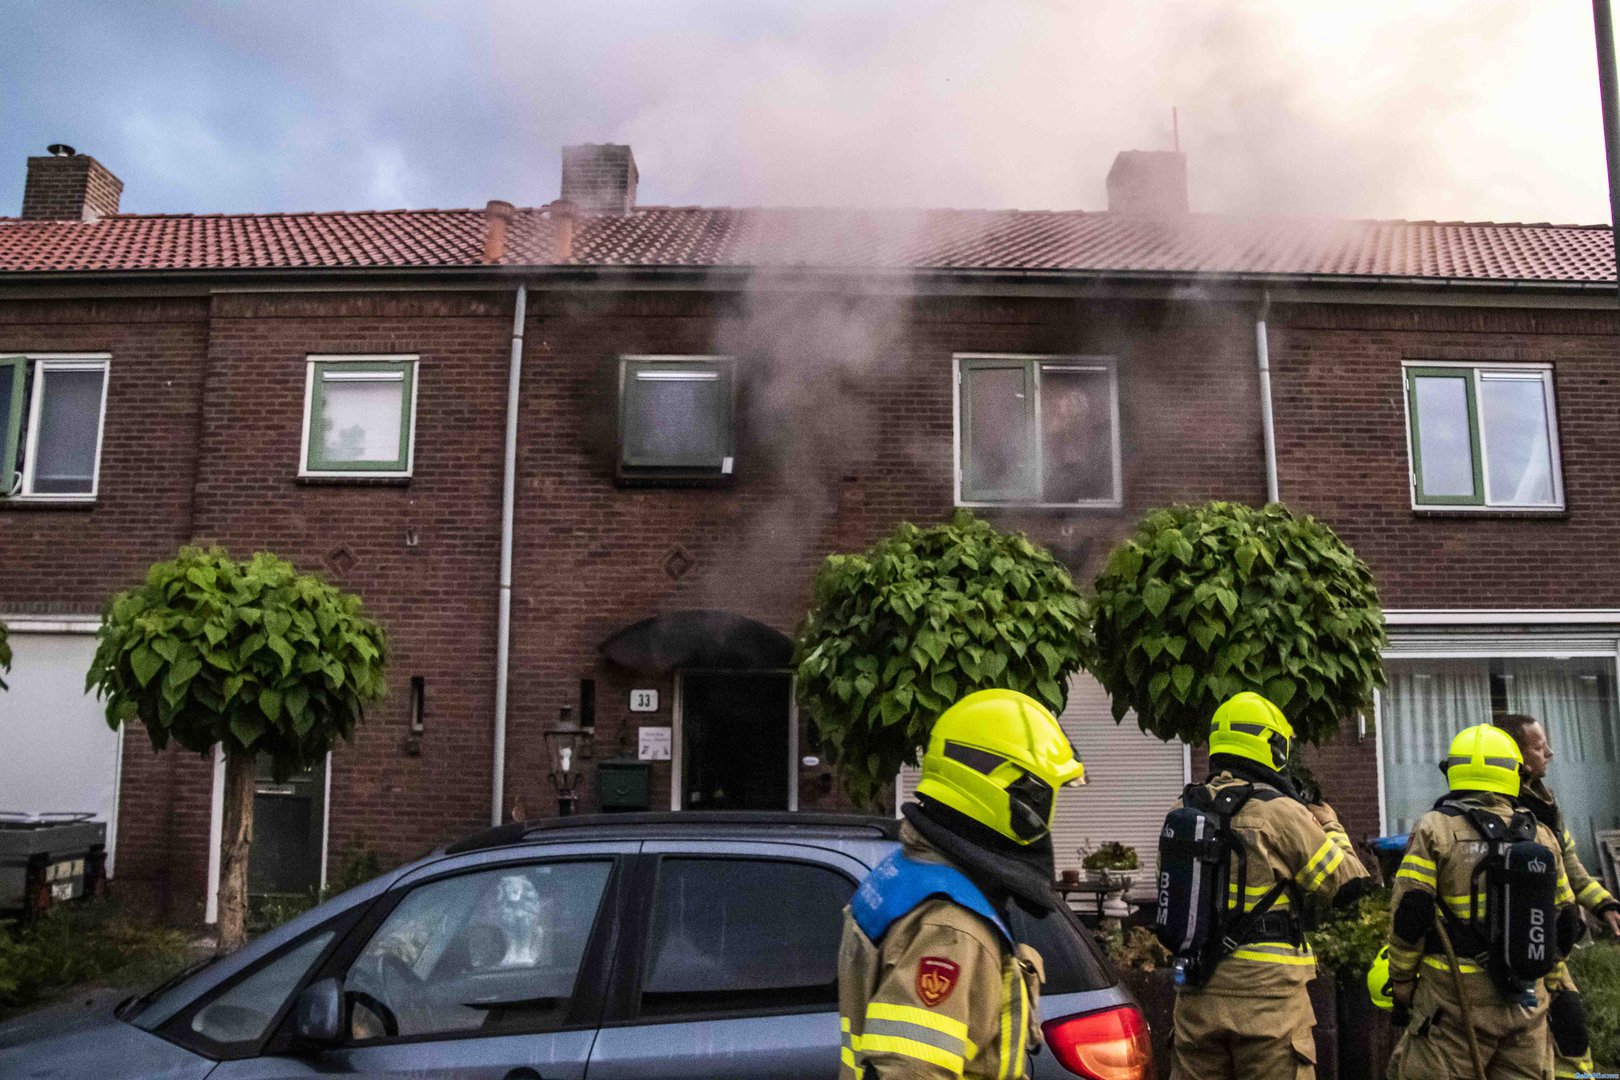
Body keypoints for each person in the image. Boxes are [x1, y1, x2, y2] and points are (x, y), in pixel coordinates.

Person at [837, 688, 1085, 1079]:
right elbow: (911, 1071)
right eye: (1042, 796)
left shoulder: (906, 875)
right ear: (1004, 794)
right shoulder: (950, 927)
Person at [1167, 692, 1372, 1080]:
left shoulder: (1184, 811)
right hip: (1269, 1006)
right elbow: (1350, 887)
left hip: (1196, 997)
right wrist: (1330, 825)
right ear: (1273, 747)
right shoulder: (1280, 812)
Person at [1385, 724, 1579, 1080]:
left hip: (1451, 1009)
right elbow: (1565, 922)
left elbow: (1409, 914)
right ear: (1514, 774)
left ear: (1453, 771)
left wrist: (1401, 980)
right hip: (1526, 1009)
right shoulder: (1541, 835)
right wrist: (1548, 983)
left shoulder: (1435, 829)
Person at [1493, 713, 1619, 1079]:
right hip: (1526, 943)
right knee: (1555, 1036)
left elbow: (1570, 863)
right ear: (1516, 754)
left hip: (1552, 943)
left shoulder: (1545, 804)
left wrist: (1603, 902)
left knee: (1570, 1033)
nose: (1549, 752)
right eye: (1538, 745)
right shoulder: (1504, 809)